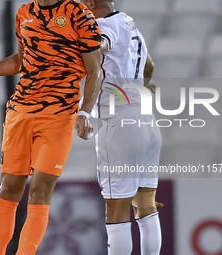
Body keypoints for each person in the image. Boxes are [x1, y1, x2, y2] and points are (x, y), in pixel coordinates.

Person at [0, 0, 101, 254]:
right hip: (20, 112)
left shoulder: (78, 14)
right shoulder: (24, 13)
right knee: (8, 189)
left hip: (59, 114)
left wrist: (85, 112)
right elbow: (22, 61)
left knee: (39, 192)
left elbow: (94, 71)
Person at [79, 0, 163, 254]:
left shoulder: (102, 25)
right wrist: (144, 83)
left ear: (91, 3)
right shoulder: (128, 22)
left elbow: (99, 44)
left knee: (117, 209)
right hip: (147, 121)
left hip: (119, 124)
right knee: (146, 204)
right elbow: (149, 65)